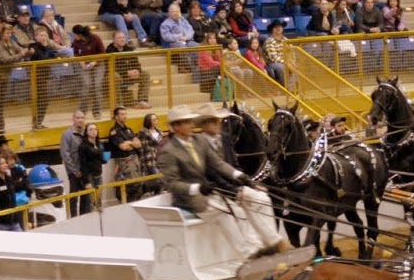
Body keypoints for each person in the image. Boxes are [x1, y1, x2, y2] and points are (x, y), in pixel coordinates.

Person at [158, 105, 286, 259]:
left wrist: (239, 175)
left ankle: (263, 246)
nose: (192, 125)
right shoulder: (168, 151)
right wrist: (196, 188)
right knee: (224, 212)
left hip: (210, 194)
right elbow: (171, 183)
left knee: (237, 210)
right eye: (187, 122)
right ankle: (247, 253)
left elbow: (217, 163)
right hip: (189, 199)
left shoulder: (198, 141)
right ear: (176, 126)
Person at [107, 106, 144, 201]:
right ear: (116, 117)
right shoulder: (114, 131)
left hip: (135, 159)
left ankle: (136, 202)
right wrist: (132, 143)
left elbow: (139, 144)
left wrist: (129, 143)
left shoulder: (129, 130)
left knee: (139, 182)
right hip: (125, 160)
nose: (125, 116)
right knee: (132, 183)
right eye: (122, 114)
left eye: (125, 114)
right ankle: (128, 202)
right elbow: (123, 147)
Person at [0, 152, 29, 231]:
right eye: (2, 163)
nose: (6, 165)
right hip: (1, 222)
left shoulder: (8, 179)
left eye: (5, 162)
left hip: (13, 219)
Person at [60, 110, 89, 216]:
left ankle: (84, 215)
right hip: (74, 172)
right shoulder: (67, 135)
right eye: (78, 118)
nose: (80, 120)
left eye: (82, 118)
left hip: (85, 170)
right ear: (73, 119)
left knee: (86, 196)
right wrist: (74, 170)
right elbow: (65, 154)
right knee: (74, 195)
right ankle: (73, 216)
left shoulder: (86, 132)